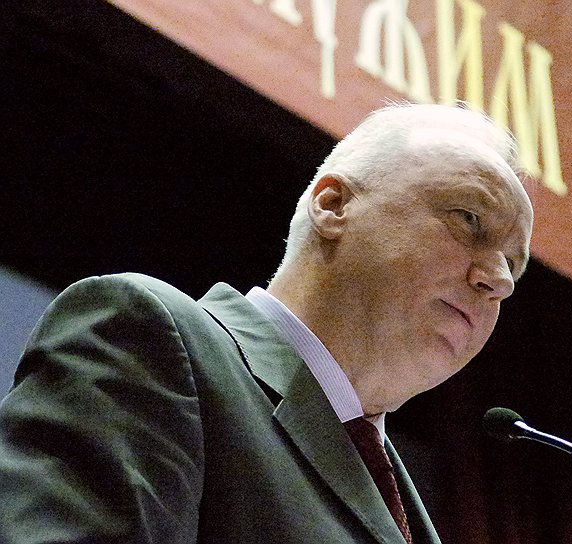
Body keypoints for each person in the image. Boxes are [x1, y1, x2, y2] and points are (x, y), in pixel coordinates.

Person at [0, 103, 534, 543]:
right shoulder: (147, 334)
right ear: (334, 205)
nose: (498, 280)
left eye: (512, 265)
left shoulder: (407, 509)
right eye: (469, 220)